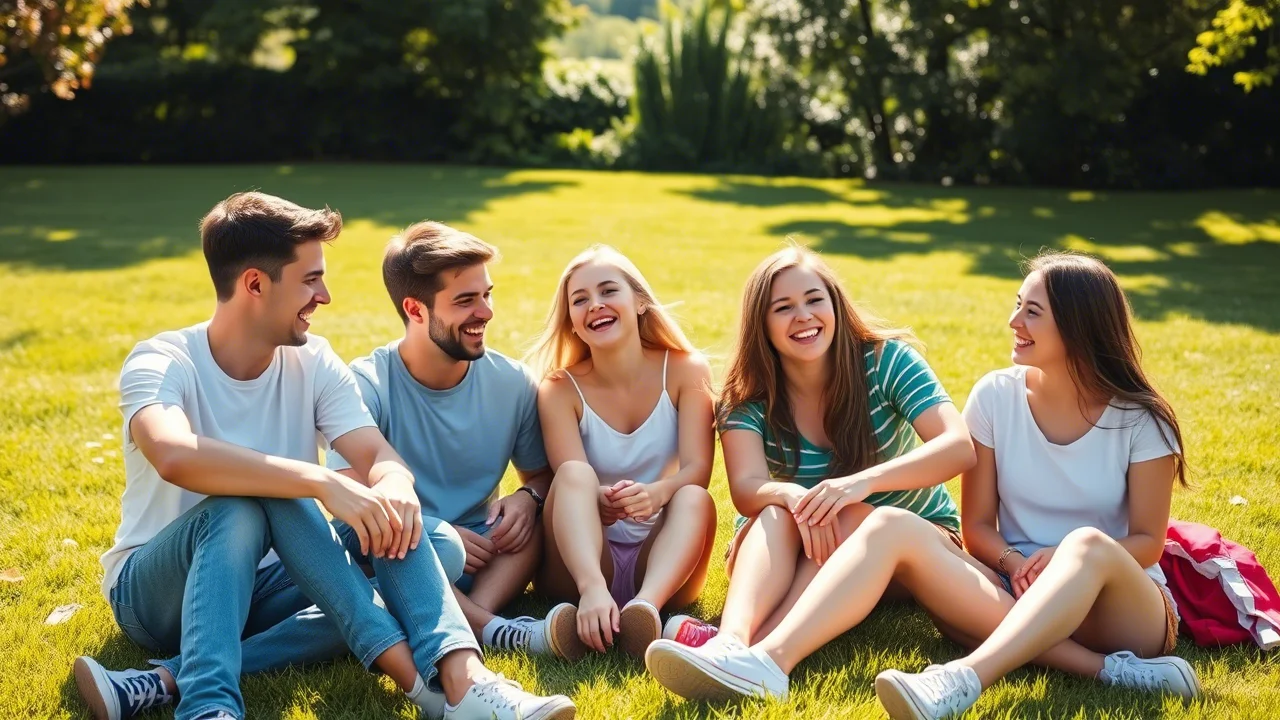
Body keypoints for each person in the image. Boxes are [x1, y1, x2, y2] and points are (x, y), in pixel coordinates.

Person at [72, 193, 574, 720]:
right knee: (241, 505)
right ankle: (210, 705)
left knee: (429, 538)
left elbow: (377, 455)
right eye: (311, 280)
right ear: (255, 284)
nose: (326, 296)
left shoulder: (315, 360)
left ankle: (465, 681)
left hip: (272, 584)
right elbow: (173, 453)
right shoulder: (164, 359)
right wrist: (317, 480)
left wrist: (395, 489)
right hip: (157, 595)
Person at [645, 243, 982, 700]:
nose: (803, 316)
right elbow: (746, 491)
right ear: (761, 326)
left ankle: (756, 654)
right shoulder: (747, 397)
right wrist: (790, 496)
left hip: (908, 546)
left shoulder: (886, 362)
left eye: (814, 300)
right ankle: (731, 642)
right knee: (778, 512)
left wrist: (858, 484)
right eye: (783, 308)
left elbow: (958, 448)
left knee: (852, 514)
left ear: (836, 306)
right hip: (793, 543)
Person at [873, 251, 1199, 719]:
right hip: (1015, 583)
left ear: (1079, 325)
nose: (1013, 321)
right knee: (898, 526)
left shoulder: (1142, 419)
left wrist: (1062, 558)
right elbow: (978, 526)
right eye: (1017, 305)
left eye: (1032, 312)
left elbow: (1149, 542)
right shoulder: (993, 396)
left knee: (1084, 544)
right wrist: (1016, 560)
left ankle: (964, 677)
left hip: (1121, 606)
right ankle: (1109, 672)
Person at [324, 220, 572, 657]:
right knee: (438, 546)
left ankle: (473, 615)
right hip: (391, 546)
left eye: (487, 295)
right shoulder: (367, 382)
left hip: (481, 553)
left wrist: (527, 499)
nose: (486, 312)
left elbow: (541, 475)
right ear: (416, 310)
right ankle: (495, 629)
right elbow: (346, 492)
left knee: (529, 524)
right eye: (465, 301)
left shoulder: (512, 382)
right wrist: (438, 531)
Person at [526, 245, 717, 659]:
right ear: (572, 323)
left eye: (608, 291)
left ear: (640, 302)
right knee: (577, 476)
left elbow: (698, 469)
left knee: (695, 497)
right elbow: (568, 480)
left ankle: (644, 611)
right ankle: (594, 594)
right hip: (581, 560)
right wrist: (598, 500)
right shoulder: (559, 389)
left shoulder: (687, 369)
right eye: (580, 300)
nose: (595, 306)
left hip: (663, 558)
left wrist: (658, 492)